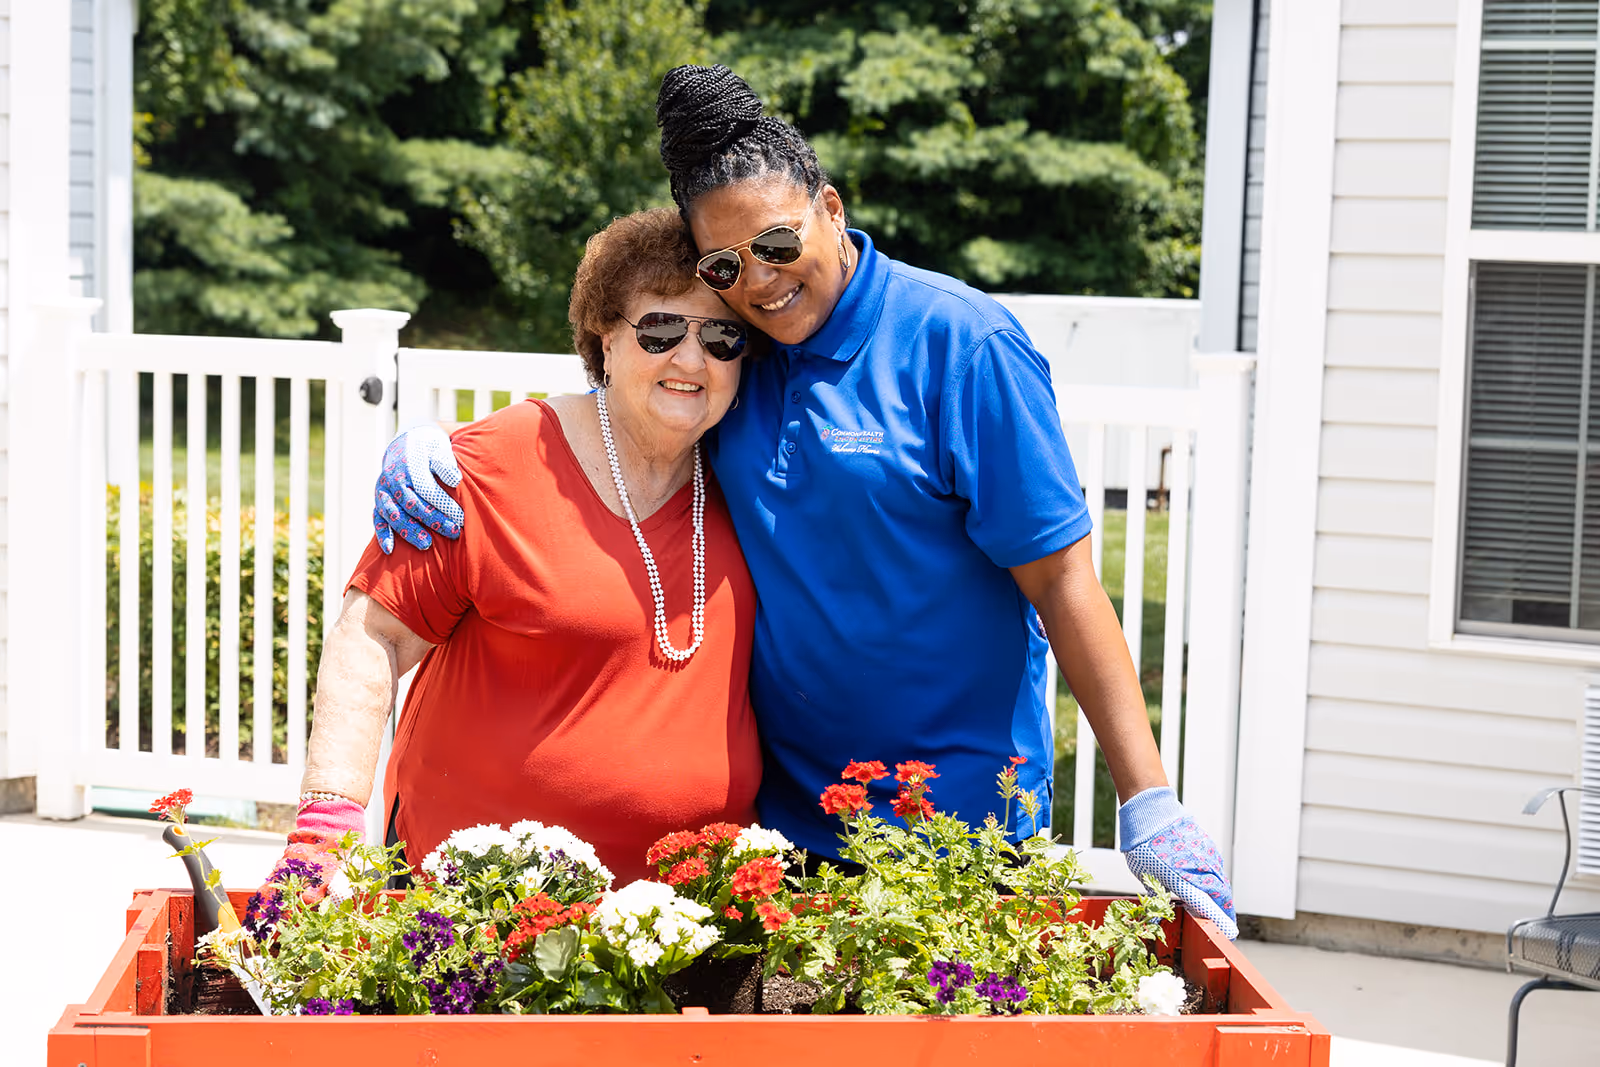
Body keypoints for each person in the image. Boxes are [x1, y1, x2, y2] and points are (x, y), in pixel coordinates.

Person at [374, 65, 1238, 938]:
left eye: (779, 244)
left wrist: (1148, 796)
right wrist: (447, 442)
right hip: (784, 830)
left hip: (956, 829)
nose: (760, 281)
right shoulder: (738, 355)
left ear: (830, 207)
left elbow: (1064, 583)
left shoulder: (960, 346)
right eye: (727, 264)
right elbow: (628, 387)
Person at [276, 208, 763, 889]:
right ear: (607, 340)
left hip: (685, 922)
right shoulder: (492, 465)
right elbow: (374, 633)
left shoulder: (756, 478)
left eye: (721, 336)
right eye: (659, 330)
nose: (691, 358)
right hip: (470, 916)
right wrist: (323, 829)